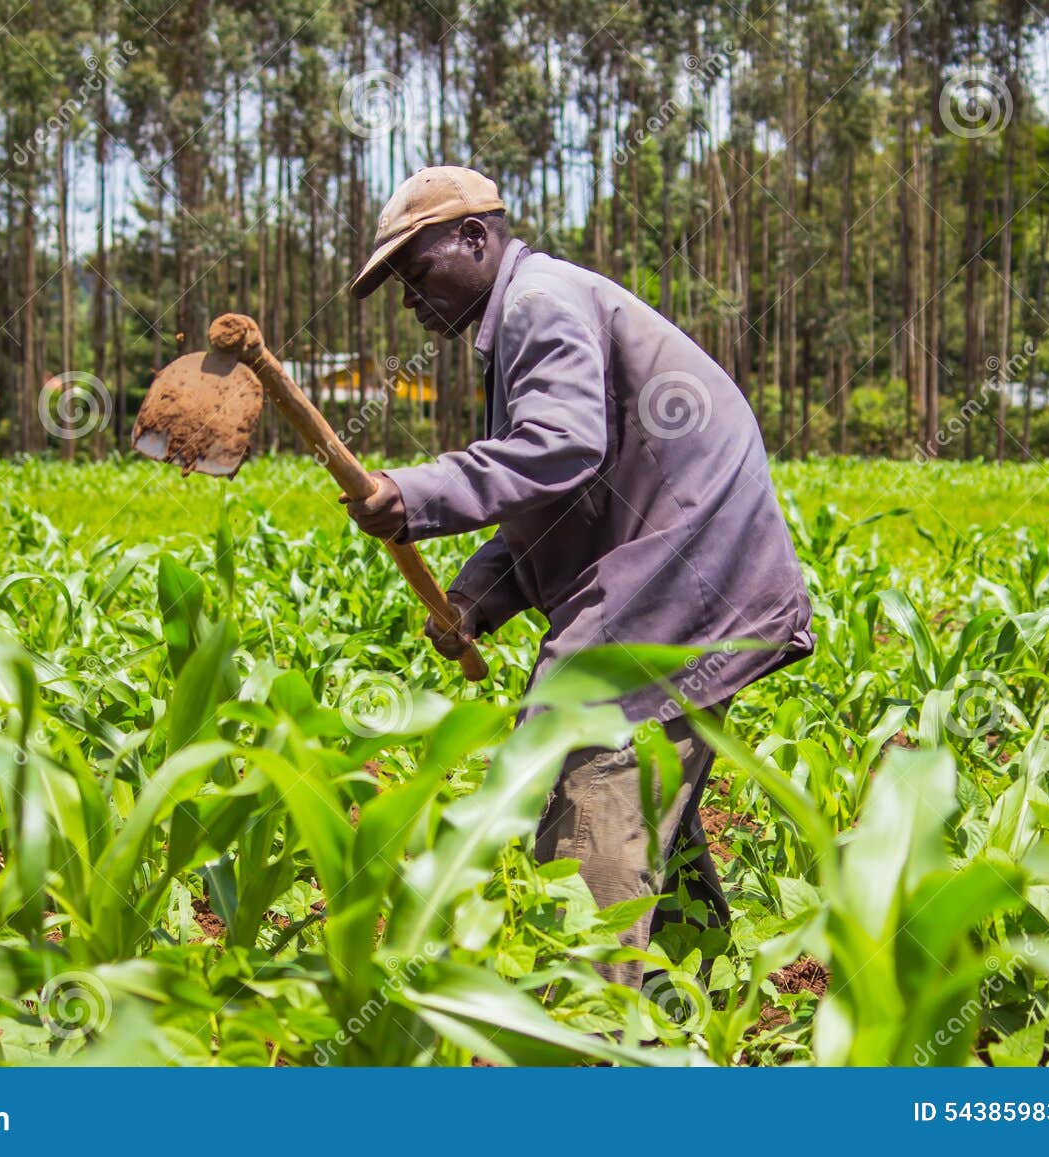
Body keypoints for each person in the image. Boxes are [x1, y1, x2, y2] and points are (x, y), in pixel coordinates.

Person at [341, 165, 815, 987]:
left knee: (591, 768)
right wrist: (475, 598)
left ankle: (586, 1027)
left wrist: (413, 495)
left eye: (417, 273)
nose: (411, 301)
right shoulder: (529, 312)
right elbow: (556, 498)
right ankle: (688, 994)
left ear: (476, 239)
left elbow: (559, 450)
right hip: (678, 574)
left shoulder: (537, 303)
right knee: (639, 779)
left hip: (683, 576)